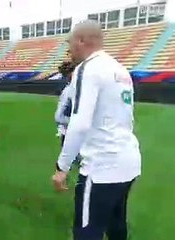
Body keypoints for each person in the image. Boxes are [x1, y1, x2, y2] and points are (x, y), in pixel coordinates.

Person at [51, 20, 141, 240]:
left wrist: (62, 167)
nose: (69, 47)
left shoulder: (88, 68)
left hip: (102, 167)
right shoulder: (120, 69)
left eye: (70, 42)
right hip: (128, 162)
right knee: (116, 226)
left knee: (86, 233)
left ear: (81, 41)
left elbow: (79, 123)